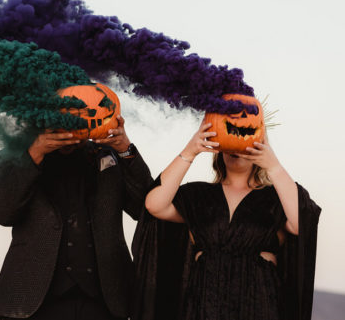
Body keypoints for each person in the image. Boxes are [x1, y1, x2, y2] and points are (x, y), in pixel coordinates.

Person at [138, 121, 321, 320]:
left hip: (259, 304)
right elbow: (154, 205)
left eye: (244, 133)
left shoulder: (276, 198)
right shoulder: (198, 195)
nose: (236, 141)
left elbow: (303, 224)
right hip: (203, 303)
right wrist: (190, 152)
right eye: (230, 133)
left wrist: (273, 166)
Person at [0, 115, 153, 320]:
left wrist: (125, 149)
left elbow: (146, 209)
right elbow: (3, 213)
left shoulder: (109, 155)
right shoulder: (12, 156)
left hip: (106, 302)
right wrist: (34, 153)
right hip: (32, 302)